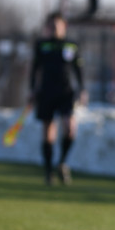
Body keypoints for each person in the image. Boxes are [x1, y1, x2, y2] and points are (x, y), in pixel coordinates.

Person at [29, 11, 87, 186]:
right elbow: (34, 70)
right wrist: (32, 90)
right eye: (51, 25)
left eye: (57, 25)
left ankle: (62, 162)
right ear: (47, 27)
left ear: (64, 26)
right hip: (46, 92)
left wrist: (82, 89)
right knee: (48, 132)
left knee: (70, 128)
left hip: (66, 93)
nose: (54, 28)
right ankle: (48, 172)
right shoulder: (41, 45)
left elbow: (78, 69)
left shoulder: (71, 45)